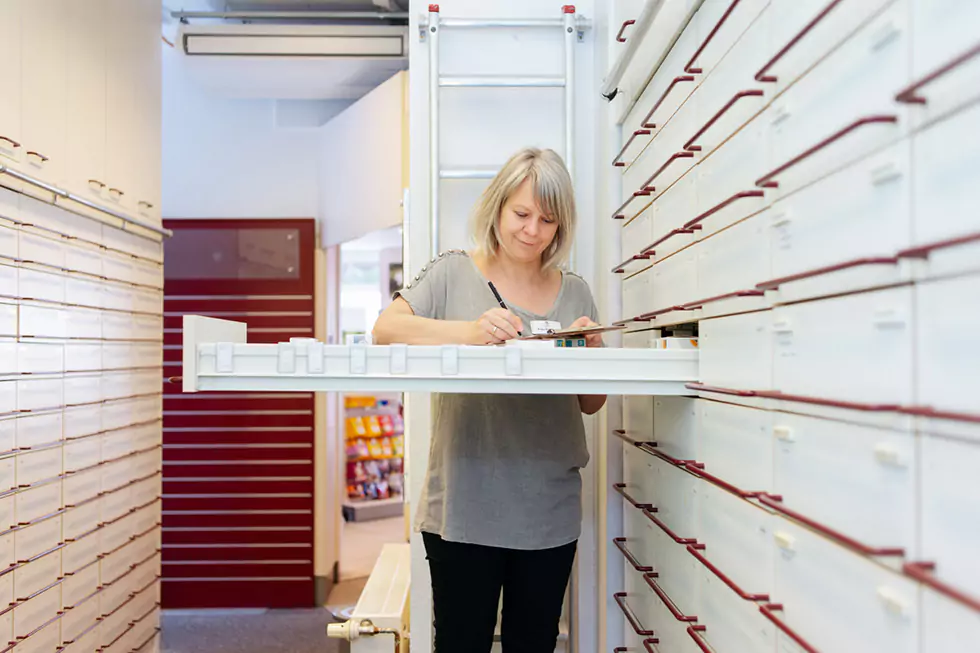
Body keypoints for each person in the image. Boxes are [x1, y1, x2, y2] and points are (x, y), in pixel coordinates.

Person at [372, 147, 605, 652]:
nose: (532, 230)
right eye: (521, 214)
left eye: (548, 219)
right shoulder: (453, 272)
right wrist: (469, 331)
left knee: (534, 643)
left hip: (547, 508)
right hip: (463, 507)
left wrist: (594, 350)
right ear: (497, 207)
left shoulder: (577, 293)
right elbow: (384, 330)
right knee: (460, 642)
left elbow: (591, 404)